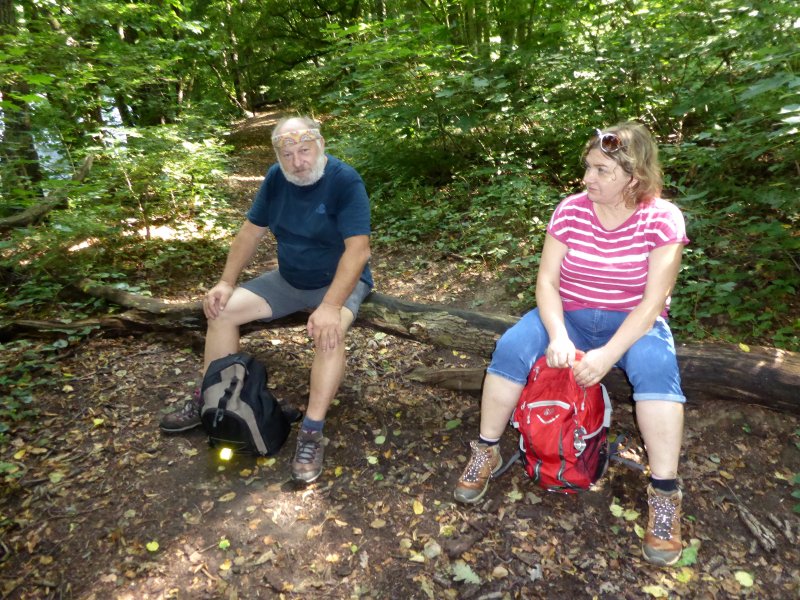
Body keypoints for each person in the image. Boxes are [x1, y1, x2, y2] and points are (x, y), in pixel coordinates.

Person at [453, 122, 689, 567]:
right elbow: (546, 279)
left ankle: (664, 495)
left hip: (633, 322)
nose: (587, 179)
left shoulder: (662, 218)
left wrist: (608, 355)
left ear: (633, 176)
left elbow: (654, 299)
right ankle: (485, 450)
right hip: (571, 315)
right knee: (511, 347)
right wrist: (558, 335)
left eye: (601, 170)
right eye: (588, 168)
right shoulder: (570, 210)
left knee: (657, 370)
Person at [159, 115, 373, 484]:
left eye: (304, 151)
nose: (297, 161)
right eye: (287, 154)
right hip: (289, 278)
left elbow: (358, 251)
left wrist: (330, 306)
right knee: (221, 311)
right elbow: (250, 232)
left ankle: (311, 431)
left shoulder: (344, 180)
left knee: (329, 332)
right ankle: (212, 398)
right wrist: (226, 282)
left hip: (337, 280)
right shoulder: (277, 178)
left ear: (320, 145)